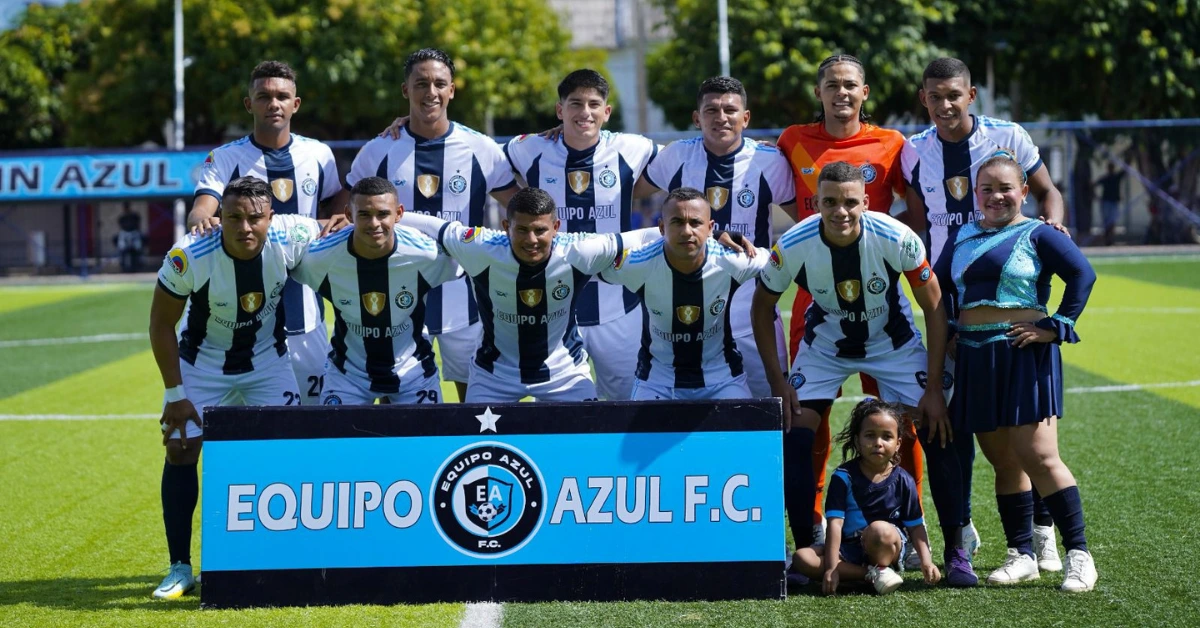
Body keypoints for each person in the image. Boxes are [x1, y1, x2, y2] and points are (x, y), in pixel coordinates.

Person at [751, 162, 980, 586]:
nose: (840, 211)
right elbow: (761, 307)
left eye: (850, 202)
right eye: (830, 202)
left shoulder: (896, 236)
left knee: (938, 426)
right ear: (816, 203)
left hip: (892, 345)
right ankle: (807, 549)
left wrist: (933, 388)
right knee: (795, 433)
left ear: (866, 202)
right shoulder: (795, 243)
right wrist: (779, 382)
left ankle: (955, 550)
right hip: (825, 348)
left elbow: (933, 306)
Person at [904, 56, 1068, 572]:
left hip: (1013, 291)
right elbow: (914, 219)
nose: (945, 104)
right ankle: (965, 530)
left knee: (1027, 432)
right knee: (962, 422)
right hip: (949, 303)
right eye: (935, 96)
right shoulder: (913, 151)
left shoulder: (1009, 136)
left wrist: (1053, 230)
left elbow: (1048, 193)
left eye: (954, 94)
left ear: (971, 95)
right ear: (923, 98)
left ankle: (1043, 534)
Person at [774, 55, 928, 547]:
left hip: (881, 302)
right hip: (816, 299)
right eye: (831, 84)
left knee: (899, 420)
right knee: (808, 417)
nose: (841, 92)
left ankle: (910, 520)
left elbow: (917, 213)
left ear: (865, 92)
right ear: (818, 92)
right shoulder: (791, 140)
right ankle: (815, 523)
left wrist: (887, 254)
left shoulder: (892, 143)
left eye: (849, 85)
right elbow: (784, 201)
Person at [148, 177, 318, 598]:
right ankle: (180, 567)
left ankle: (282, 558)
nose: (245, 227)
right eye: (234, 217)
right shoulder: (189, 255)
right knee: (181, 448)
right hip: (202, 364)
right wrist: (175, 395)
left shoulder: (293, 234)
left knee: (288, 447)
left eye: (255, 218)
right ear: (219, 218)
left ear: (271, 218)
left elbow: (340, 231)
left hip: (267, 361)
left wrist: (341, 220)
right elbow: (161, 323)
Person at [940, 152, 1098, 592]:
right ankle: (1022, 553)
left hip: (1022, 352)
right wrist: (951, 328)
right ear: (975, 194)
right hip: (974, 357)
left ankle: (1079, 555)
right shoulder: (961, 235)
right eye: (987, 189)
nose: (996, 196)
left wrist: (1055, 326)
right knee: (1004, 462)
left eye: (1006, 188)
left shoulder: (1039, 233)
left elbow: (1082, 275)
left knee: (1039, 457)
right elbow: (940, 288)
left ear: (1024, 192)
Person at [352, 49, 518, 403]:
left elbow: (520, 209)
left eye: (440, 84)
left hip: (465, 294)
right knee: (399, 398)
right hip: (399, 294)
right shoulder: (378, 151)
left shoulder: (481, 148)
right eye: (421, 84)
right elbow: (347, 210)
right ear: (405, 90)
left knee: (476, 402)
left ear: (452, 90)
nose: (431, 92)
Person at [189, 60, 349, 406]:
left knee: (314, 417)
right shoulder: (225, 157)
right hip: (243, 315)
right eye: (264, 97)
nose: (273, 104)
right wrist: (202, 219)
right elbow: (203, 206)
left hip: (305, 310)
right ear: (249, 104)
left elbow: (335, 201)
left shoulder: (318, 154)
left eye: (282, 96)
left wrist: (341, 216)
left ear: (296, 104)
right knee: (237, 422)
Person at [399, 187, 653, 402]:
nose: (531, 240)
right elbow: (434, 226)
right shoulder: (481, 247)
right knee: (477, 442)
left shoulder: (579, 250)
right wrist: (385, 218)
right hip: (493, 376)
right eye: (522, 230)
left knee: (585, 441)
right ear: (506, 226)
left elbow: (641, 235)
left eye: (540, 230)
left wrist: (676, 236)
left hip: (564, 375)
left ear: (556, 227)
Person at [503, 69, 658, 401]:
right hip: (553, 308)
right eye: (575, 104)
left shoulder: (633, 147)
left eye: (593, 104)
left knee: (627, 405)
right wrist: (409, 123)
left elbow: (691, 157)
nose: (584, 112)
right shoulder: (528, 149)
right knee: (561, 410)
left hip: (617, 306)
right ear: (560, 110)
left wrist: (747, 146)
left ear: (607, 111)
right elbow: (476, 157)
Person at [639, 77, 797, 399]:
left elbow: (804, 220)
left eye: (730, 110)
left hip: (754, 312)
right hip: (689, 317)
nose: (721, 117)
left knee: (771, 406)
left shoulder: (769, 161)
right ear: (697, 118)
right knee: (689, 409)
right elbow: (626, 190)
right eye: (711, 110)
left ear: (745, 118)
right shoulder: (676, 156)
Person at [290, 177, 459, 405]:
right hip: (348, 374)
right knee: (333, 430)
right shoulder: (320, 258)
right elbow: (282, 268)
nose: (374, 223)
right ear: (349, 215)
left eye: (383, 214)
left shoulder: (425, 254)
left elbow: (472, 264)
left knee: (428, 431)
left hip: (413, 373)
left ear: (399, 214)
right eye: (364, 214)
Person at [600, 188, 766, 400]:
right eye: (677, 222)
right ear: (662, 227)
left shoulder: (732, 260)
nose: (687, 231)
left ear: (710, 228)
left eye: (695, 223)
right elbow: (590, 266)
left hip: (722, 378)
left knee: (746, 422)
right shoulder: (639, 264)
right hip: (656, 381)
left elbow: (781, 262)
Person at [790, 399, 941, 595]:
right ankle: (871, 576)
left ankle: (870, 572)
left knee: (879, 530)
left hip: (886, 546)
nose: (878, 443)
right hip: (850, 548)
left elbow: (915, 526)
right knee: (802, 557)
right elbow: (835, 524)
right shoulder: (843, 477)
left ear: (898, 444)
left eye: (887, 437)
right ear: (857, 441)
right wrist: (831, 568)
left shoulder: (904, 480)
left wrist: (926, 562)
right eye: (870, 435)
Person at [1094, 163, 1125, 245]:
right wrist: (1096, 197)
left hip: (1113, 202)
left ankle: (1110, 239)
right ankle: (1107, 240)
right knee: (1107, 222)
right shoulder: (1105, 178)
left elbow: (1124, 171)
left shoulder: (1116, 177)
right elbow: (1093, 185)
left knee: (1112, 222)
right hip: (1106, 202)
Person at [115, 204, 144, 272]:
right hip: (124, 233)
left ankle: (140, 262)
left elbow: (138, 224)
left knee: (138, 247)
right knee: (121, 248)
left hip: (134, 233)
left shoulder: (134, 216)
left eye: (127, 208)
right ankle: (122, 263)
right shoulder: (122, 217)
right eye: (125, 208)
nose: (126, 209)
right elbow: (120, 226)